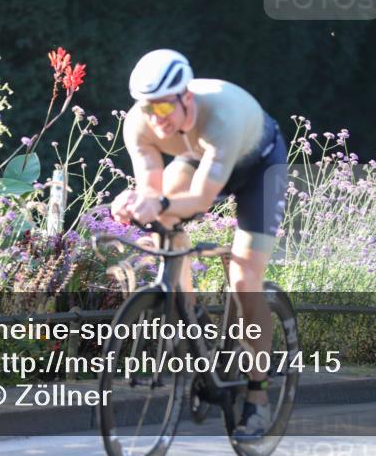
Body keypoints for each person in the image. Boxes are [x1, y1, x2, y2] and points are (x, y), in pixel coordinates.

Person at [111, 48, 286, 439]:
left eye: (163, 109)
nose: (155, 120)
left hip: (258, 166)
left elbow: (203, 200)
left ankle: (257, 396)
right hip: (199, 157)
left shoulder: (220, 116)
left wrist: (155, 202)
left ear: (186, 97)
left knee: (244, 279)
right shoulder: (139, 124)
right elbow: (153, 195)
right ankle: (191, 313)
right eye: (146, 109)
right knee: (161, 218)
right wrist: (134, 203)